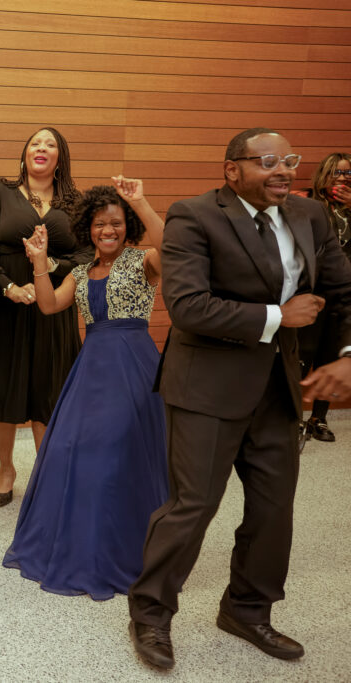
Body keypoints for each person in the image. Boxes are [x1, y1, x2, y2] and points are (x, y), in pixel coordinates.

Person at [127, 128, 351, 670]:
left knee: (274, 509)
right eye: (267, 161)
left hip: (278, 390)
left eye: (290, 160)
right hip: (206, 385)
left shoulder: (310, 217)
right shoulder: (194, 216)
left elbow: (343, 292)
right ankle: (151, 613)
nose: (284, 170)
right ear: (232, 171)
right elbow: (187, 306)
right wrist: (278, 317)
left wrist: (345, 354)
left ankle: (247, 609)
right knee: (193, 506)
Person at [3, 177, 168, 599]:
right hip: (91, 367)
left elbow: (173, 247)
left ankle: (123, 546)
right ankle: (82, 540)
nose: (106, 230)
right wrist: (39, 261)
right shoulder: (80, 271)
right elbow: (48, 304)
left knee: (118, 452)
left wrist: (141, 201)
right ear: (87, 229)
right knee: (72, 450)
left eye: (114, 223)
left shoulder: (144, 260)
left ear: (127, 225)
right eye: (98, 224)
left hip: (132, 366)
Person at [0, 126, 90, 505]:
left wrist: (49, 266)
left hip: (54, 306)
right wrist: (8, 286)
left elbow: (90, 255)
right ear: (25, 154)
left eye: (50, 144)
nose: (41, 148)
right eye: (35, 143)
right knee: (4, 387)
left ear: (60, 157)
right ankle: (6, 467)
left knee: (50, 388)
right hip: (5, 307)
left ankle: (47, 470)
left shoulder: (77, 203)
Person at [292, 152, 351, 442]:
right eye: (335, 172)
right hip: (310, 293)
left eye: (347, 173)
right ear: (323, 174)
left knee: (331, 357)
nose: (341, 178)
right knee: (302, 355)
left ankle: (319, 419)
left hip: (342, 295)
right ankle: (294, 419)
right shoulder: (307, 201)